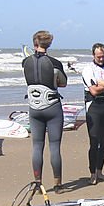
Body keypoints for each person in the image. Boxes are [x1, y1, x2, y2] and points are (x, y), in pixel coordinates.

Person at [22, 30, 68, 191]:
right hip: (52, 107)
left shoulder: (25, 62)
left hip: (34, 108)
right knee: (54, 145)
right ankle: (58, 184)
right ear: (49, 44)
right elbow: (63, 83)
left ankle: (37, 182)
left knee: (37, 146)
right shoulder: (55, 63)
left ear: (35, 44)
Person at [79, 42, 104, 184]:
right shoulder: (88, 69)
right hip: (93, 106)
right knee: (94, 140)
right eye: (98, 57)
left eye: (103, 56)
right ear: (93, 55)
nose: (101, 59)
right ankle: (92, 173)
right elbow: (94, 90)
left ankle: (100, 171)